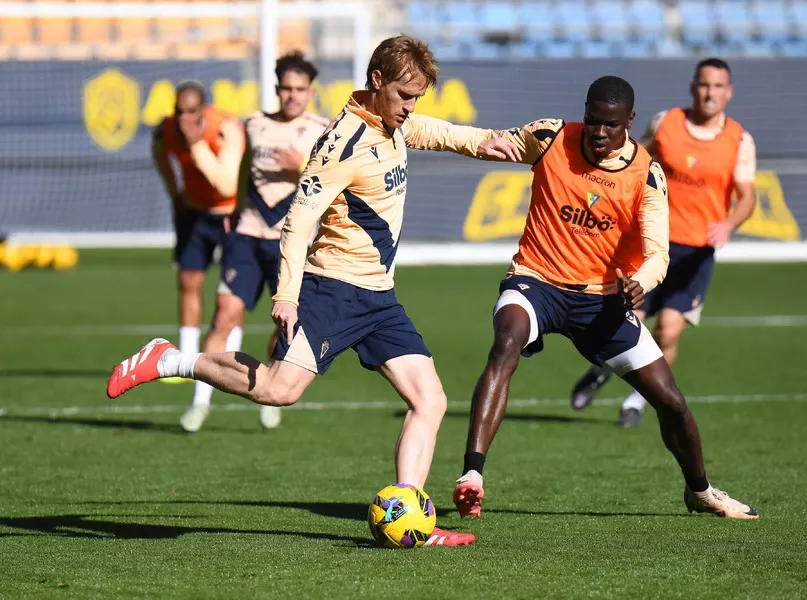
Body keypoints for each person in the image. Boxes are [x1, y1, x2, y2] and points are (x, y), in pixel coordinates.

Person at [108, 35, 521, 546]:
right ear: (378, 82)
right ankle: (172, 360)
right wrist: (285, 294)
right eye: (405, 96)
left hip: (379, 297)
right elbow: (298, 222)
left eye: (417, 97)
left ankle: (411, 517)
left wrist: (483, 141)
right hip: (332, 290)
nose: (411, 107)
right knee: (279, 391)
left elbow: (429, 130)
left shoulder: (393, 122)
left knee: (430, 399)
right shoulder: (342, 144)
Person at [452, 76, 759, 521]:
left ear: (629, 123)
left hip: (600, 299)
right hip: (535, 281)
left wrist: (642, 281)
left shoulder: (646, 175)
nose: (598, 133)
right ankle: (472, 477)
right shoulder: (551, 137)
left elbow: (658, 254)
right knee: (506, 341)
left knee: (671, 402)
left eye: (610, 126)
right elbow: (483, 141)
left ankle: (701, 490)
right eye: (593, 121)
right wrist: (413, 128)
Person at [569, 58, 757, 428]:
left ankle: (635, 403)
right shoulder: (666, 122)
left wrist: (729, 223)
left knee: (668, 331)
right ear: (693, 87)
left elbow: (747, 196)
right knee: (626, 323)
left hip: (694, 254)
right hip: (650, 242)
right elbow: (635, 159)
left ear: (729, 92)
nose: (710, 93)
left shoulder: (739, 140)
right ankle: (601, 370)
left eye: (718, 86)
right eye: (704, 84)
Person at [181, 51, 330, 433]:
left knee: (284, 327)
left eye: (300, 89)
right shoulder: (252, 126)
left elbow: (334, 185)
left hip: (289, 243)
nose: (292, 96)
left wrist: (301, 165)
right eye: (286, 88)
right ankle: (200, 402)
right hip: (247, 235)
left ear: (310, 92)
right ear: (277, 89)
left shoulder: (323, 131)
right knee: (225, 315)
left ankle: (268, 388)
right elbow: (235, 174)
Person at [151, 82, 245, 382]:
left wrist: (196, 145)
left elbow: (226, 185)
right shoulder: (165, 131)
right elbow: (159, 153)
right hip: (194, 212)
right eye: (179, 112)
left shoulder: (226, 128)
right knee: (188, 280)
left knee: (231, 293)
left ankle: (228, 359)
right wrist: (175, 192)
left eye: (191, 112)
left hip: (231, 215)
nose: (184, 119)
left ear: (203, 110)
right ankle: (186, 360)